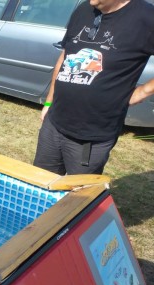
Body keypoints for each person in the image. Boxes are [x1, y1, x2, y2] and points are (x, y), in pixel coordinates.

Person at [33, 0, 154, 175]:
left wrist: (143, 91)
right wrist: (49, 103)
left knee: (78, 197)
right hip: (54, 123)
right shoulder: (84, 9)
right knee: (41, 185)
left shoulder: (146, 17)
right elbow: (65, 57)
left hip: (91, 137)